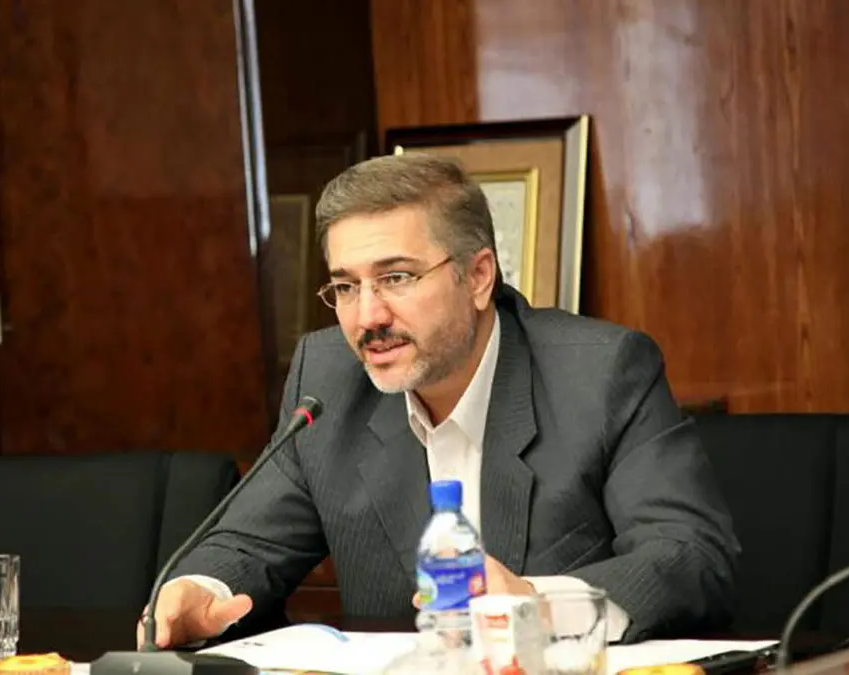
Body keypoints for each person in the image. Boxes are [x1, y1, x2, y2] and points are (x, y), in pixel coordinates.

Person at [139, 153, 740, 649]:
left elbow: (691, 557)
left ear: (478, 277)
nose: (368, 317)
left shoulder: (599, 373)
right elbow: (248, 543)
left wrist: (537, 604)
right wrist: (198, 591)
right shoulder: (327, 381)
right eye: (346, 286)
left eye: (396, 278)